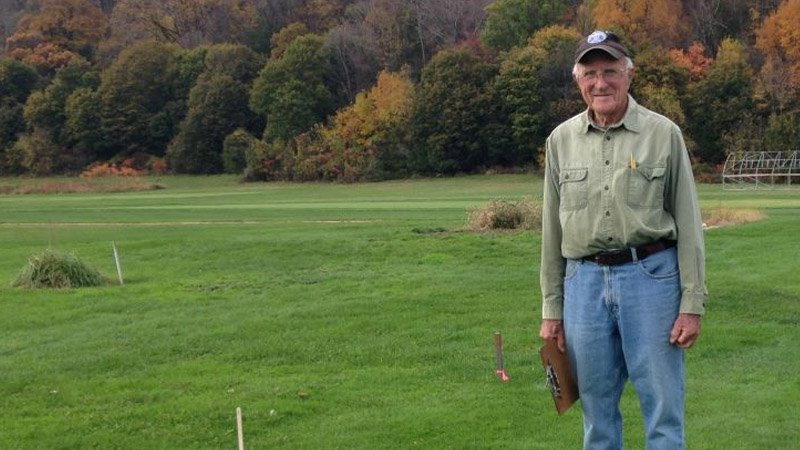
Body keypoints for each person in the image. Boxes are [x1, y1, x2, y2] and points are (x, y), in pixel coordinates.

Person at [538, 30, 707, 450]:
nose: (601, 83)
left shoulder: (663, 134)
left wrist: (691, 303)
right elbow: (551, 232)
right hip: (583, 286)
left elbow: (689, 222)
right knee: (596, 414)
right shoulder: (560, 141)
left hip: (651, 280)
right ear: (578, 80)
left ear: (629, 74)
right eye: (590, 73)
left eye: (610, 71)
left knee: (663, 408)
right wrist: (552, 309)